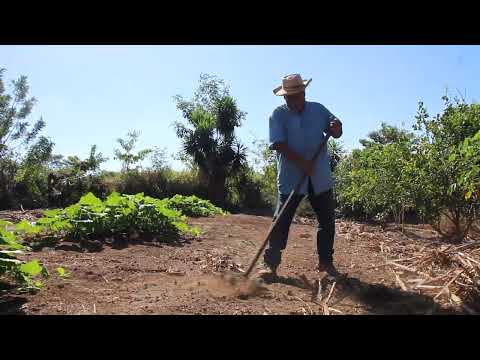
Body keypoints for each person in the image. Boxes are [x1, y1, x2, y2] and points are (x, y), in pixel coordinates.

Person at [258, 73, 343, 278]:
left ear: (303, 93)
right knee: (281, 221)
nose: (290, 100)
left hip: (319, 176)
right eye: (287, 97)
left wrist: (337, 126)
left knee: (327, 221)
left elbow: (336, 129)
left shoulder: (319, 110)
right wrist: (301, 163)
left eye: (294, 96)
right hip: (291, 178)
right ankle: (270, 265)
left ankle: (326, 262)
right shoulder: (278, 115)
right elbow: (278, 144)